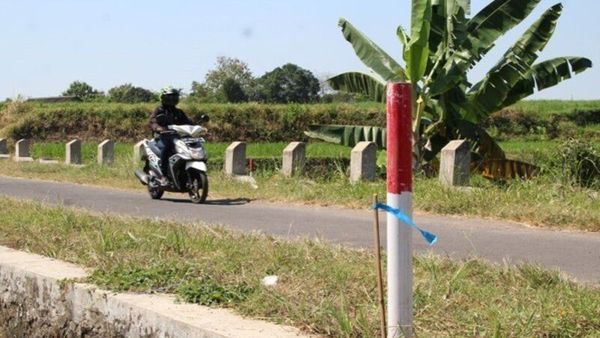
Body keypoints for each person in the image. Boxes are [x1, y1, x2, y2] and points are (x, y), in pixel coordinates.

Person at [149, 86, 193, 185]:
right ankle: (163, 176)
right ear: (163, 97)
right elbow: (153, 122)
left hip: (176, 138)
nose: (172, 99)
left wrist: (198, 128)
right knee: (166, 148)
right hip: (162, 137)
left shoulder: (179, 112)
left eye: (174, 97)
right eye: (169, 97)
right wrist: (158, 128)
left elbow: (188, 122)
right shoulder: (159, 110)